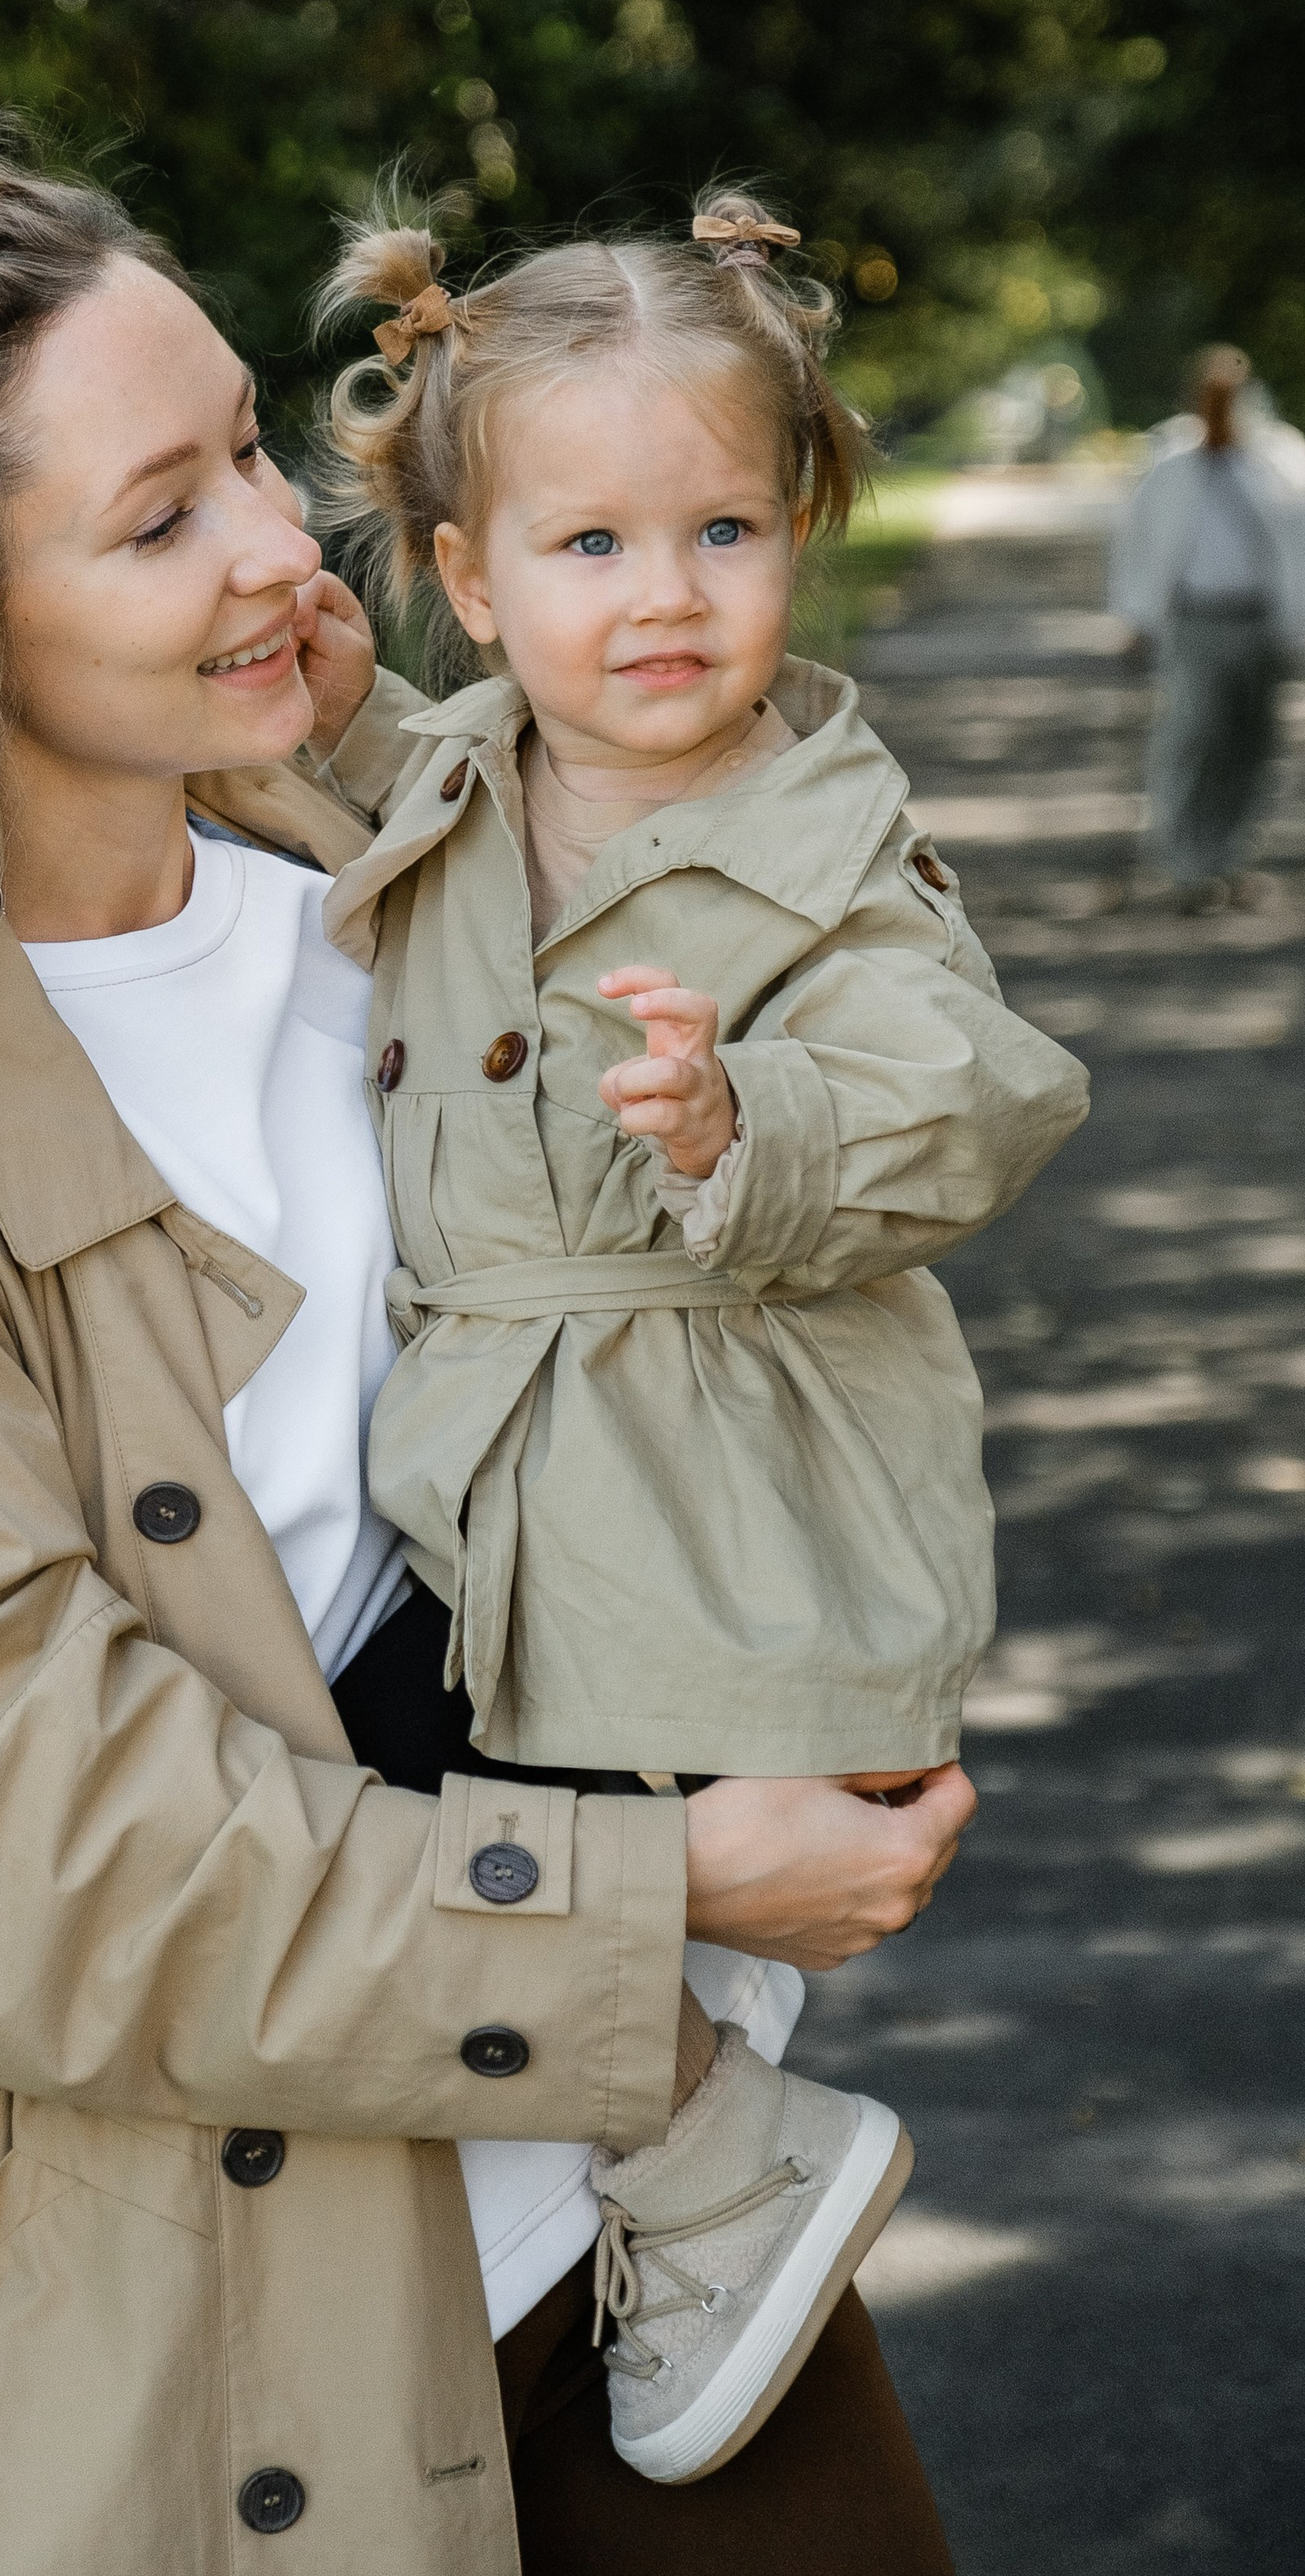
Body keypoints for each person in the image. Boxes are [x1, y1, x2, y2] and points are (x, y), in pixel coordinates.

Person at [0, 137, 974, 2573]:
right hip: (196, 2387)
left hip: (641, 2282)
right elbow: (20, 1848)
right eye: (158, 521)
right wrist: (654, 1896)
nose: (278, 541)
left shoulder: (392, 893)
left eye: (247, 443)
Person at [304, 188, 1087, 2489]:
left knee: (390, 1799)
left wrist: (762, 1115)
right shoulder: (466, 769)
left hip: (707, 1478)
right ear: (471, 582)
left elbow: (979, 1081)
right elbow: (362, 786)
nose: (665, 595)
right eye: (592, 545)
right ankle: (698, 2101)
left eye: (724, 526)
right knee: (345, 1769)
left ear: (801, 525)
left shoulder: (821, 832)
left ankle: (709, 2160)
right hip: (517, 1478)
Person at [1107, 343, 1305, 906]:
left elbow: (1296, 549)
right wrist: (1135, 617)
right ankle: (1187, 863)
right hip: (1195, 624)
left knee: (1250, 743)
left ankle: (1231, 858)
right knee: (1193, 738)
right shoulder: (1169, 466)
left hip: (1259, 624)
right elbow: (1138, 546)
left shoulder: (1278, 463)